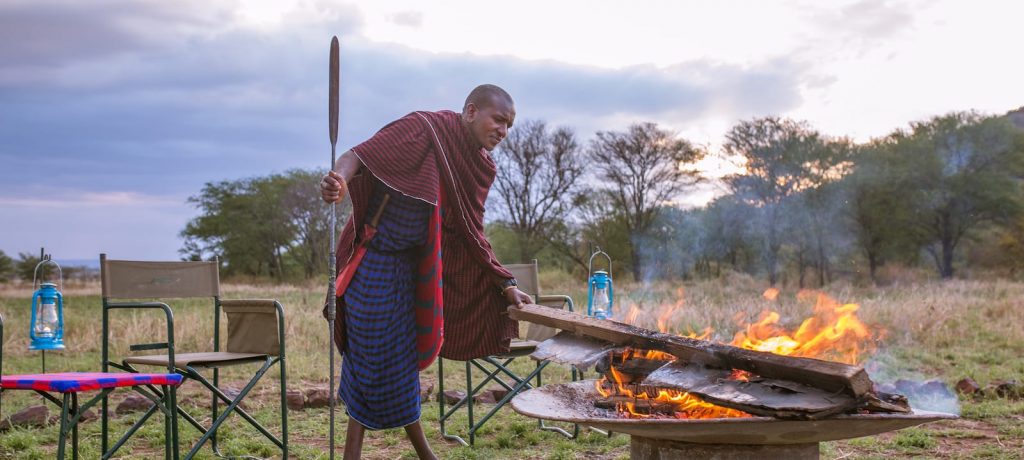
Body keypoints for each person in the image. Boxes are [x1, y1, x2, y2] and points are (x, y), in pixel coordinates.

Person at [320, 84, 533, 459]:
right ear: (470, 112)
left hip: (415, 271)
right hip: (372, 262)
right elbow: (359, 156)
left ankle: (403, 452)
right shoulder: (423, 129)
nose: (503, 130)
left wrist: (505, 283)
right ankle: (394, 453)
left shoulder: (480, 166)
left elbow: (471, 230)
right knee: (369, 356)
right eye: (498, 119)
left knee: (398, 359)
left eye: (510, 125)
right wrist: (338, 179)